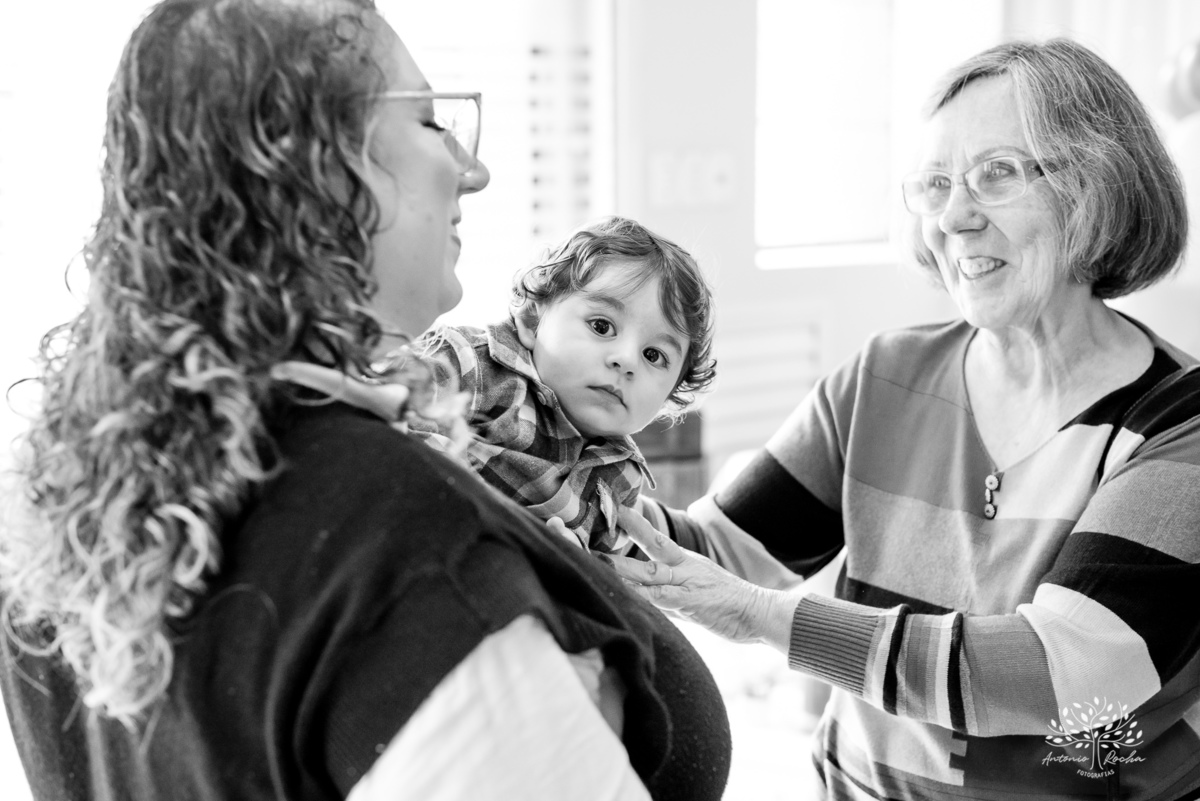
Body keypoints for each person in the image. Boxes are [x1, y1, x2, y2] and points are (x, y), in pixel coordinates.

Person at [0, 1, 731, 800]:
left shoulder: (69, 484)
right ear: (314, 166)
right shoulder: (400, 539)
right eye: (431, 122)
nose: (472, 168)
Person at [613, 38, 1200, 801]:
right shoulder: (884, 376)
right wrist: (567, 486)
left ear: (1096, 184)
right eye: (935, 184)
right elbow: (718, 551)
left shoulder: (1180, 423)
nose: (954, 217)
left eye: (997, 173)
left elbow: (1056, 671)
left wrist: (767, 617)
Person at [276, 215, 716, 554]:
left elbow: (605, 583)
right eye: (601, 326)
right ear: (531, 321)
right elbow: (374, 431)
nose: (626, 360)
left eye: (654, 356)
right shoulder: (471, 364)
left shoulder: (622, 478)